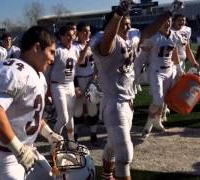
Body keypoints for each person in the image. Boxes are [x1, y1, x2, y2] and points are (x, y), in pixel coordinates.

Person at [90, 0, 182, 179]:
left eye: (128, 24)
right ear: (113, 24)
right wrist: (118, 15)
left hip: (128, 101)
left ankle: (106, 175)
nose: (128, 27)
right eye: (123, 24)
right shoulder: (106, 38)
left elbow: (149, 30)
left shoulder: (131, 35)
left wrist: (169, 12)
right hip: (114, 103)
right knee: (125, 154)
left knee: (112, 145)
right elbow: (107, 44)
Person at [0, 26, 62, 180]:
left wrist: (49, 134)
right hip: (5, 156)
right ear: (37, 48)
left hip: (27, 150)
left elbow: (33, 114)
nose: (53, 59)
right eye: (51, 52)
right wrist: (18, 149)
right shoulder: (14, 71)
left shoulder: (37, 75)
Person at [49, 25, 84, 142]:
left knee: (70, 115)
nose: (71, 37)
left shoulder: (75, 49)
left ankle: (71, 141)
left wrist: (76, 85)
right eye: (68, 35)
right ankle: (55, 143)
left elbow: (77, 67)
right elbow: (47, 70)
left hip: (70, 84)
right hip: (57, 85)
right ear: (61, 36)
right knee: (63, 118)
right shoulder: (57, 50)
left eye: (72, 35)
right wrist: (47, 88)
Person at [73, 22, 99, 146]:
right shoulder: (74, 46)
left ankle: (93, 133)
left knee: (92, 108)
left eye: (88, 31)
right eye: (84, 30)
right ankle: (75, 133)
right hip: (78, 79)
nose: (87, 33)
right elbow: (78, 62)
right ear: (77, 32)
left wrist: (95, 77)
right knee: (77, 110)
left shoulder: (93, 45)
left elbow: (97, 62)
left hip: (91, 79)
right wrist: (75, 85)